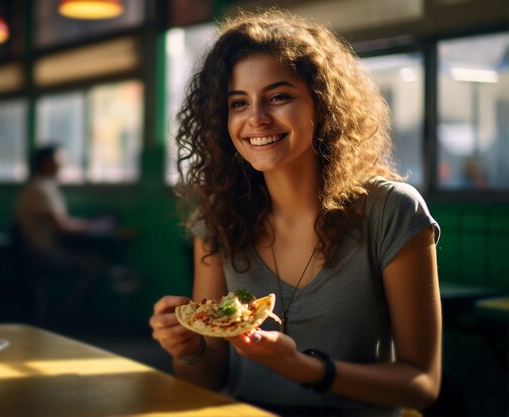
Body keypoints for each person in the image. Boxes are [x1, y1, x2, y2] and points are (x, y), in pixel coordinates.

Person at [149, 9, 441, 417]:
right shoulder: (219, 218)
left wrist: (305, 369)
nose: (257, 118)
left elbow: (421, 386)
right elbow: (207, 380)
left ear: (321, 106)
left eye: (279, 97)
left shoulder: (391, 209)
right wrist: (191, 350)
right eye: (238, 103)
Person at [14, 144, 115, 318]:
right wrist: (95, 226)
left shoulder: (42, 187)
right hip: (44, 254)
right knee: (96, 265)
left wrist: (90, 223)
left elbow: (60, 222)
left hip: (42, 251)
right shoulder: (40, 190)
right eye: (58, 160)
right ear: (45, 163)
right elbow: (61, 226)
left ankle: (65, 310)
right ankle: (66, 311)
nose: (62, 165)